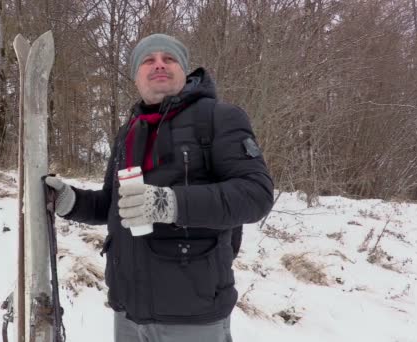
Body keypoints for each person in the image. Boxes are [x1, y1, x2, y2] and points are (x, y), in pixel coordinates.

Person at [44, 33, 274, 342]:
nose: (159, 65)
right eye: (148, 61)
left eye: (169, 59)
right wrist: (71, 202)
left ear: (185, 70)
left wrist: (169, 203)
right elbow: (115, 204)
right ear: (137, 76)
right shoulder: (128, 132)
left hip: (193, 312)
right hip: (129, 311)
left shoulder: (219, 118)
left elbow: (255, 195)